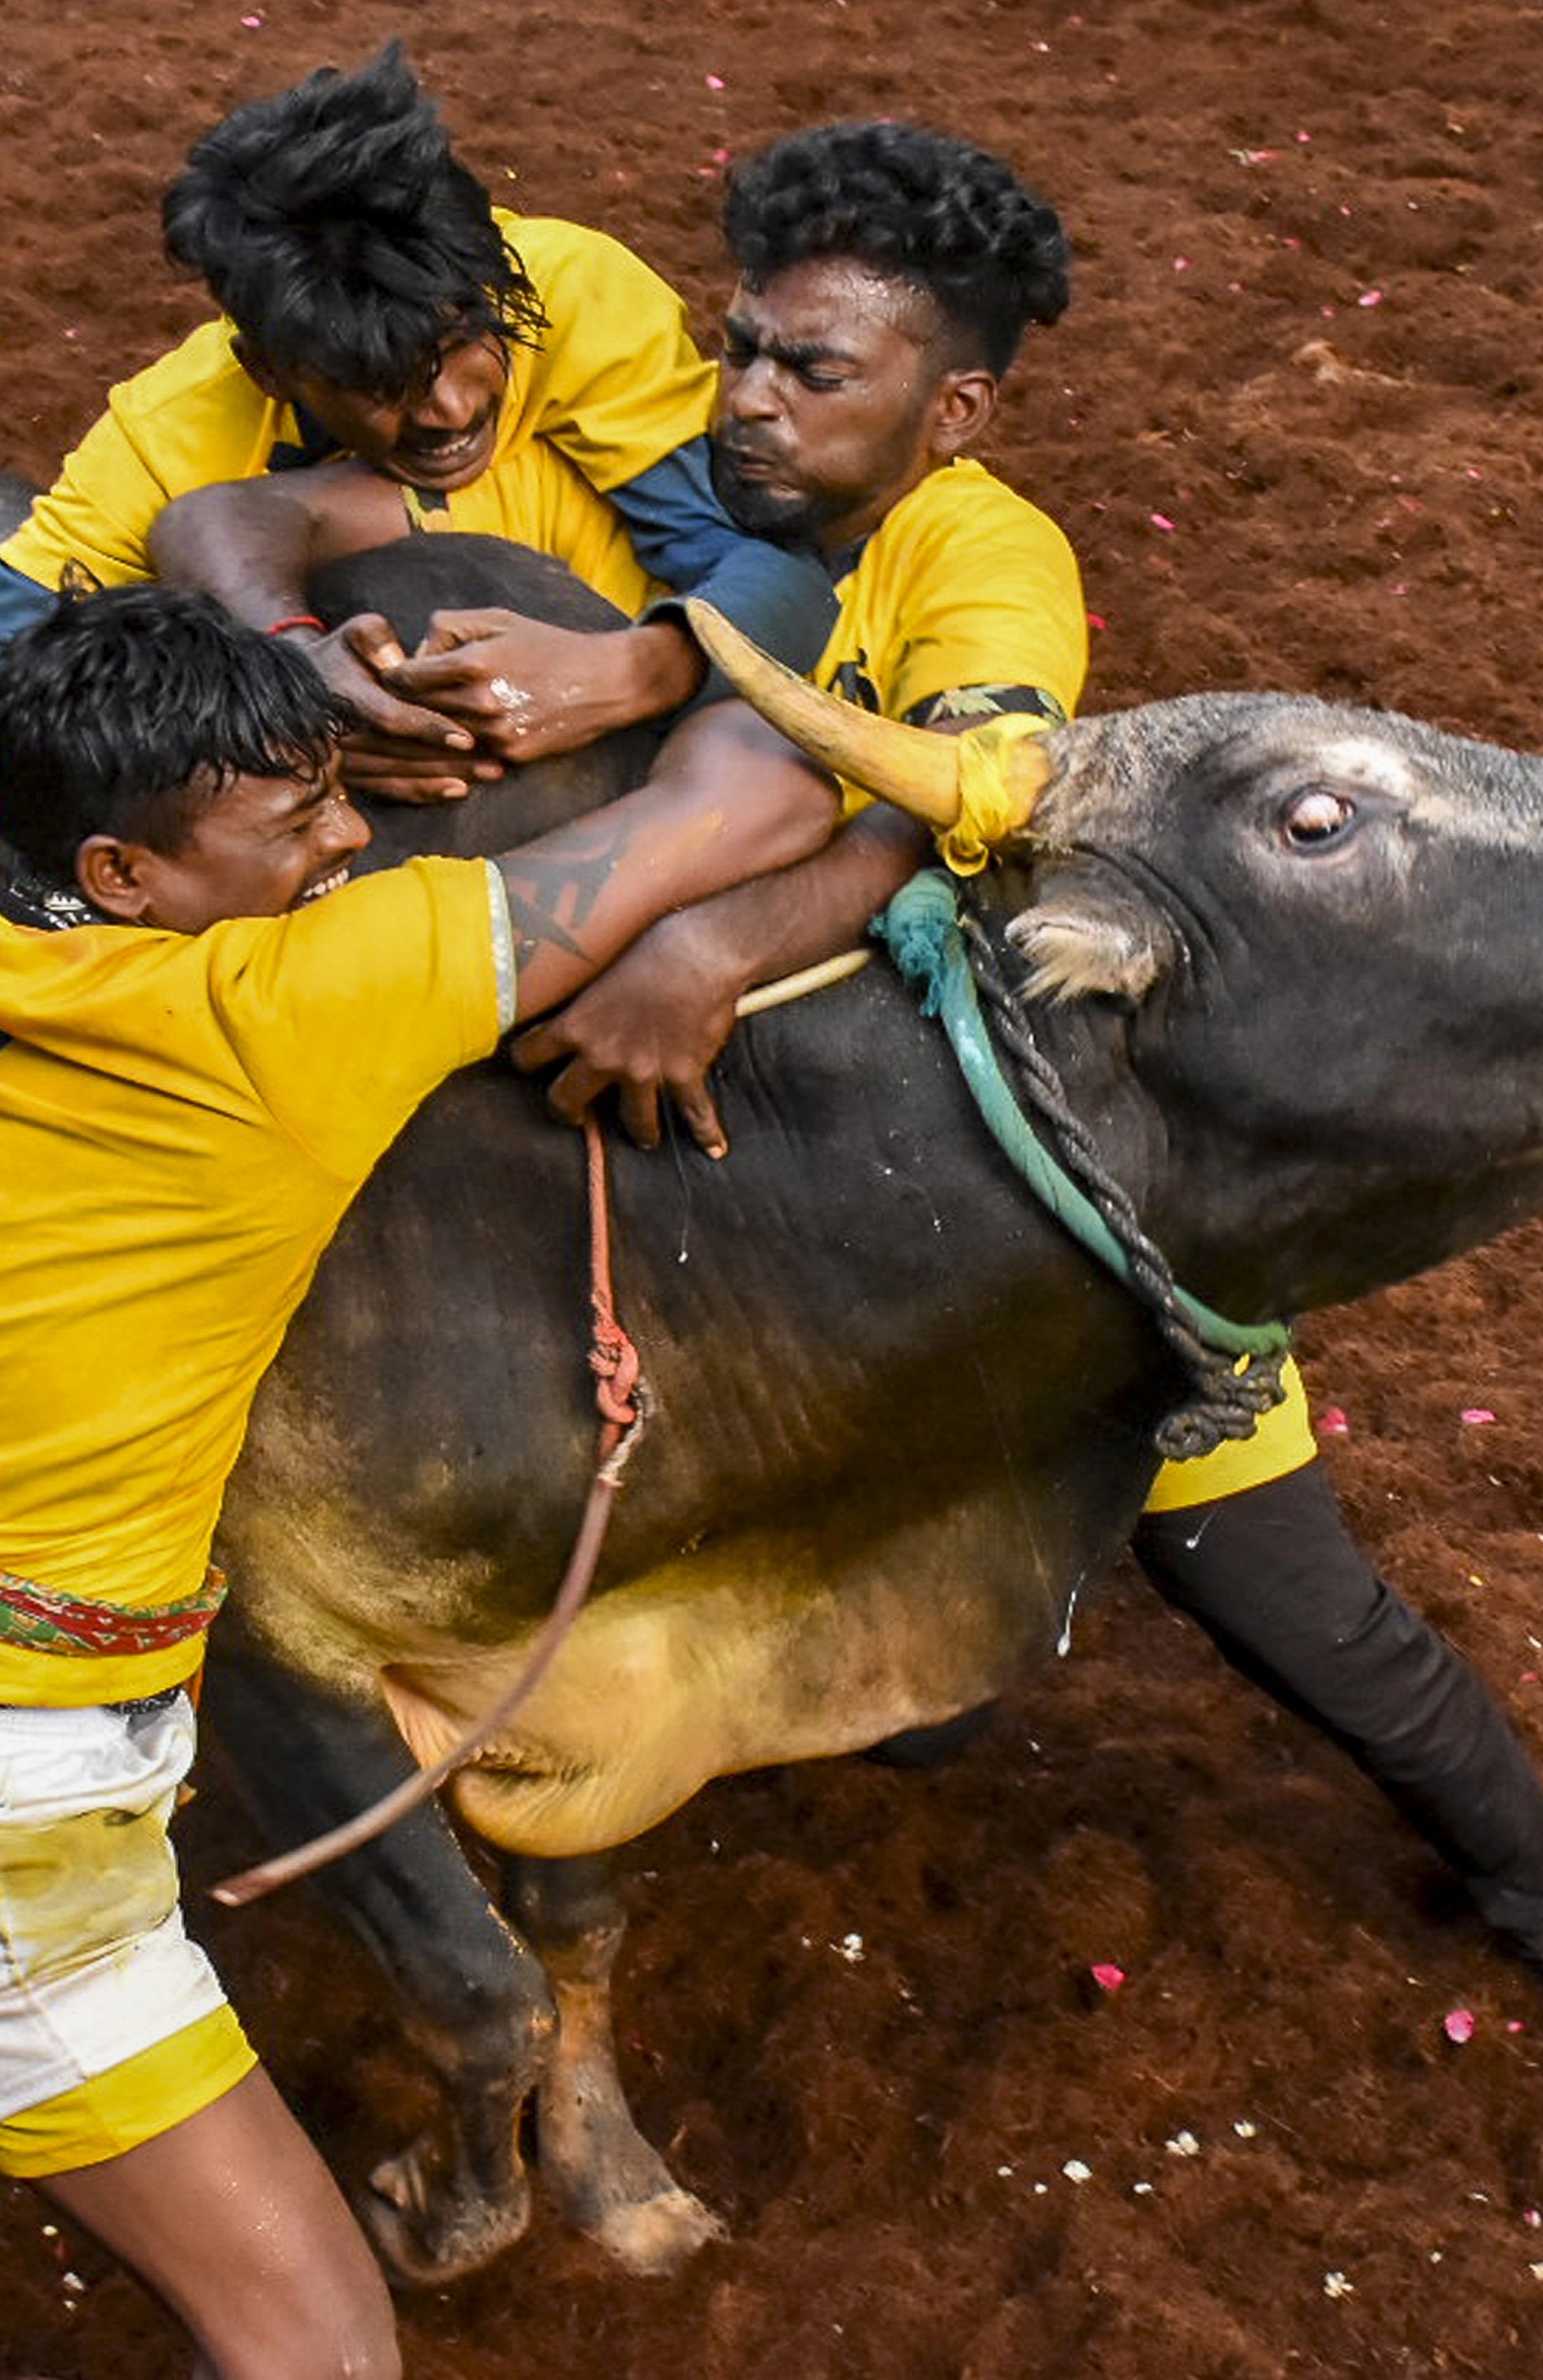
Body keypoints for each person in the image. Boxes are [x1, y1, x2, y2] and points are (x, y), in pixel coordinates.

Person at [0, 581, 837, 2379]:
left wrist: (302, 690)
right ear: (124, 875)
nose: (352, 835)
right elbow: (764, 799)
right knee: (318, 2345)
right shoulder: (285, 1010)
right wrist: (653, 670)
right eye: (300, 818)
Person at [510, 117, 1543, 1979]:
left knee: (1290, 1597)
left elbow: (969, 808)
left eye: (812, 371)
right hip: (829, 1210)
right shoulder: (689, 508)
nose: (746, 398)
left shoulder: (978, 558)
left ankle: (1521, 1863)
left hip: (1055, 1203)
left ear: (954, 407)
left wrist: (721, 937)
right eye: (735, 344)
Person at [0, 42, 832, 829]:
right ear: (271, 374)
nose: (449, 410)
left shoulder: (575, 293)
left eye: (464, 346)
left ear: (499, 277)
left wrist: (635, 670)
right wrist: (223, 766)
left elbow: (773, 566)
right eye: (379, 386)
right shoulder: (164, 439)